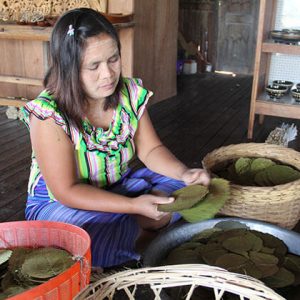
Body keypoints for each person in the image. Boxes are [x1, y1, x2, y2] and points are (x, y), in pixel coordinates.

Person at [21, 7, 210, 268]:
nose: (108, 74)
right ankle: (142, 230)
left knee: (190, 185)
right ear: (68, 68)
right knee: (79, 238)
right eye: (93, 66)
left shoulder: (129, 93)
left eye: (113, 59)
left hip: (118, 186)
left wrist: (184, 174)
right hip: (63, 204)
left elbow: (151, 150)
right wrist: (134, 206)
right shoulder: (49, 115)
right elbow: (67, 191)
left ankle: (135, 230)